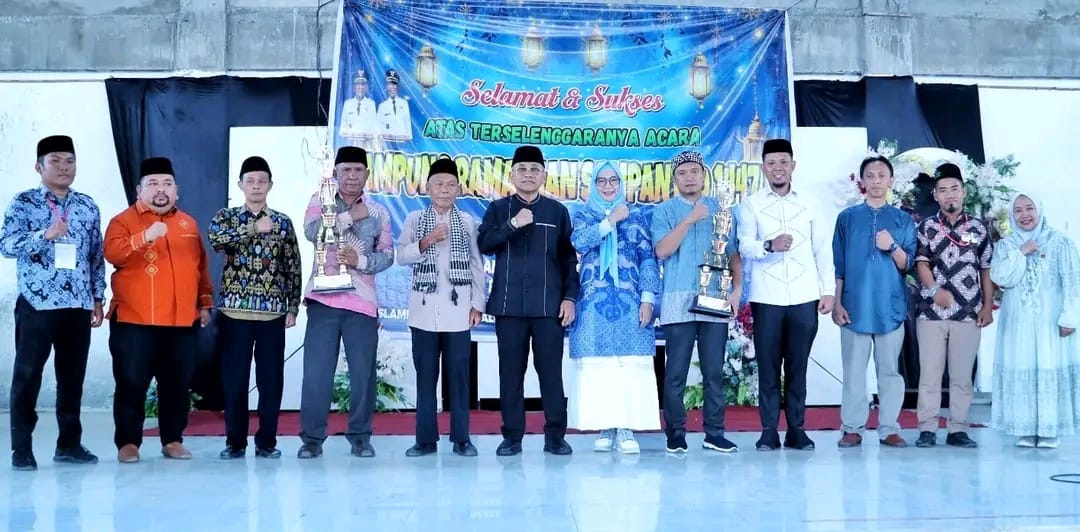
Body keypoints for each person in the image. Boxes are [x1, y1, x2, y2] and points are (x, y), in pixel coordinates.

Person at [1, 135, 105, 471]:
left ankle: (69, 444)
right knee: (28, 375)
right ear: (39, 166)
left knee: (72, 378)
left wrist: (98, 297)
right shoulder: (24, 202)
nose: (64, 167)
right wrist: (44, 235)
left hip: (77, 304)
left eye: (69, 161)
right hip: (38, 304)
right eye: (55, 161)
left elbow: (96, 255)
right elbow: (6, 245)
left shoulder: (87, 205)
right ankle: (21, 448)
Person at [103, 157, 214, 463]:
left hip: (181, 321)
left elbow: (200, 267)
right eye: (152, 184)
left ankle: (172, 440)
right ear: (139, 190)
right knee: (131, 383)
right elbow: (113, 253)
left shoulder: (188, 223)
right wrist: (145, 236)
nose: (160, 189)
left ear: (177, 190)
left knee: (177, 384)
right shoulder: (123, 221)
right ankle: (128, 443)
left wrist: (204, 303)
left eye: (167, 183)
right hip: (135, 320)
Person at [478, 145, 579, 456]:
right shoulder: (498, 209)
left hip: (548, 307)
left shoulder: (557, 212)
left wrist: (569, 298)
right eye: (522, 169)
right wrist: (512, 224)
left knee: (551, 374)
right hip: (509, 307)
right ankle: (512, 437)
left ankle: (555, 437)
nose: (528, 174)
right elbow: (484, 243)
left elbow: (568, 259)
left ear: (544, 176)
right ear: (512, 175)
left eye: (534, 169)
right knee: (510, 374)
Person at [738, 138, 835, 451]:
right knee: (767, 368)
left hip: (805, 296)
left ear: (793, 165)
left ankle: (797, 429)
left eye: (783, 162)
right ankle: (768, 431)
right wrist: (769, 245)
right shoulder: (751, 204)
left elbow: (823, 249)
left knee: (797, 367)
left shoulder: (810, 202)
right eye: (771, 163)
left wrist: (828, 290)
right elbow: (744, 246)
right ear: (763, 168)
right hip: (767, 298)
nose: (777, 168)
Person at [297, 146, 394, 459]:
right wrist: (349, 217)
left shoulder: (379, 212)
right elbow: (312, 232)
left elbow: (387, 255)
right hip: (323, 301)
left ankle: (361, 438)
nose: (352, 176)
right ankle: (312, 440)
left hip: (361, 305)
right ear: (336, 173)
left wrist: (360, 260)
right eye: (346, 170)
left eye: (358, 170)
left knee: (363, 374)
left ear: (367, 174)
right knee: (317, 374)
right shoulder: (319, 200)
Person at [207, 156, 303, 460]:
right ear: (241, 185)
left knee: (270, 381)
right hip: (234, 312)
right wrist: (252, 229)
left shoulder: (283, 222)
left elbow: (293, 265)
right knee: (234, 379)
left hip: (272, 312)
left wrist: (293, 306)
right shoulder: (227, 217)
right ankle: (235, 442)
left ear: (270, 185)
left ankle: (267, 442)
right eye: (250, 181)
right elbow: (215, 240)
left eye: (262, 181)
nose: (256, 186)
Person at [569, 161, 661, 454]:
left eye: (613, 181)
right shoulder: (584, 215)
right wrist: (609, 221)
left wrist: (647, 299)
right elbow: (579, 243)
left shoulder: (636, 216)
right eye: (602, 181)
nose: (608, 186)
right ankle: (605, 425)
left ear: (620, 184)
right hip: (593, 304)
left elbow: (647, 258)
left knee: (628, 367)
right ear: (594, 185)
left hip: (630, 302)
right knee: (601, 369)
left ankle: (625, 427)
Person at [652, 151, 741, 454]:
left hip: (715, 298)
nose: (689, 177)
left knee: (714, 372)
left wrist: (737, 289)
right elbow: (662, 251)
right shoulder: (664, 211)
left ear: (704, 176)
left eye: (694, 172)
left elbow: (732, 253)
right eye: (682, 173)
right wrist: (689, 219)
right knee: (675, 373)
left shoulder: (722, 210)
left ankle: (714, 433)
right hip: (677, 301)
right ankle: (676, 434)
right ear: (674, 179)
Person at [395, 157, 486, 457]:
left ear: (458, 190)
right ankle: (425, 440)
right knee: (425, 379)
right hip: (423, 312)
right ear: (428, 188)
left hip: (458, 313)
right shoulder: (414, 219)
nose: (444, 190)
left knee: (459, 379)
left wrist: (477, 304)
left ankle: (462, 438)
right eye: (439, 184)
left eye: (450, 185)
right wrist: (427, 241)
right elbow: (401, 256)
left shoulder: (468, 222)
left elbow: (476, 265)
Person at [832, 155, 916, 448]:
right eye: (870, 175)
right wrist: (837, 303)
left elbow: (909, 264)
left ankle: (889, 427)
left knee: (890, 372)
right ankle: (852, 427)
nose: (876, 180)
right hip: (854, 307)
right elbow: (839, 265)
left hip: (889, 306)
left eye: (882, 175)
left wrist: (891, 246)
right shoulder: (847, 218)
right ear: (862, 181)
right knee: (854, 372)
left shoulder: (903, 220)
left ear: (891, 180)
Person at [913, 162, 994, 449]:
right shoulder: (926, 227)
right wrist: (935, 291)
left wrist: (987, 306)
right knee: (930, 375)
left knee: (961, 376)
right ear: (935, 195)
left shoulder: (979, 228)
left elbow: (986, 269)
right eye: (943, 190)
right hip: (931, 313)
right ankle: (927, 428)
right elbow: (920, 263)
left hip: (968, 313)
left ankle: (958, 429)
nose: (950, 194)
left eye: (955, 189)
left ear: (963, 192)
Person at [990, 192, 1080, 448]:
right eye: (1018, 210)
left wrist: (1070, 317)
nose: (1024, 215)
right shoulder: (1006, 245)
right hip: (1017, 323)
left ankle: (1051, 430)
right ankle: (1025, 428)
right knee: (1022, 366)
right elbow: (1001, 278)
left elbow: (1073, 282)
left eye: (1029, 208)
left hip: (1051, 322)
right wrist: (1022, 252)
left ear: (1039, 210)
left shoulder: (1060, 242)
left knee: (1049, 366)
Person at [339, 70, 379, 150]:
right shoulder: (347, 104)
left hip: (366, 146)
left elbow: (375, 130)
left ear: (366, 87)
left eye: (363, 84)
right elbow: (342, 130)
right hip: (350, 145)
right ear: (354, 87)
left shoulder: (371, 104)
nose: (360, 87)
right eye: (358, 84)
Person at [377, 69, 412, 142]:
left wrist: (409, 139)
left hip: (403, 143)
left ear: (397, 86)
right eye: (389, 84)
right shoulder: (382, 106)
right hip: (388, 143)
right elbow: (378, 127)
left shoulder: (404, 103)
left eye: (394, 84)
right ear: (386, 86)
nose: (392, 87)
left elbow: (407, 124)